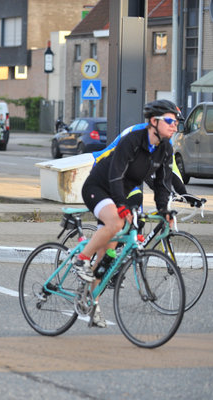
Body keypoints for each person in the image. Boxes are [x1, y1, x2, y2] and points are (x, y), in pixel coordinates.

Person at [74, 99, 182, 327]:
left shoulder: (165, 148)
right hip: (99, 187)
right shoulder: (133, 140)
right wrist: (122, 205)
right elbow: (115, 174)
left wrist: (164, 211)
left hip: (119, 193)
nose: (175, 126)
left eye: (177, 122)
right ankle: (81, 259)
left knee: (106, 259)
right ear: (154, 121)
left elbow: (163, 183)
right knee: (115, 223)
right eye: (170, 121)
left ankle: (92, 303)